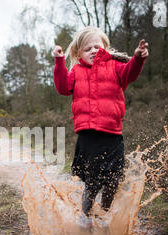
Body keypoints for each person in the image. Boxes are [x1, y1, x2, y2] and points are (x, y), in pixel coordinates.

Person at [53, 26, 149, 216]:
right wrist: (58, 61)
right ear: (79, 53)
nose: (93, 51)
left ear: (105, 47)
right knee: (93, 181)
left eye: (97, 46)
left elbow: (131, 73)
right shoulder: (77, 71)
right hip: (88, 136)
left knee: (113, 179)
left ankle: (104, 213)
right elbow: (63, 87)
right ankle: (86, 216)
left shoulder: (115, 67)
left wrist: (138, 58)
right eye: (88, 49)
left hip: (112, 134)